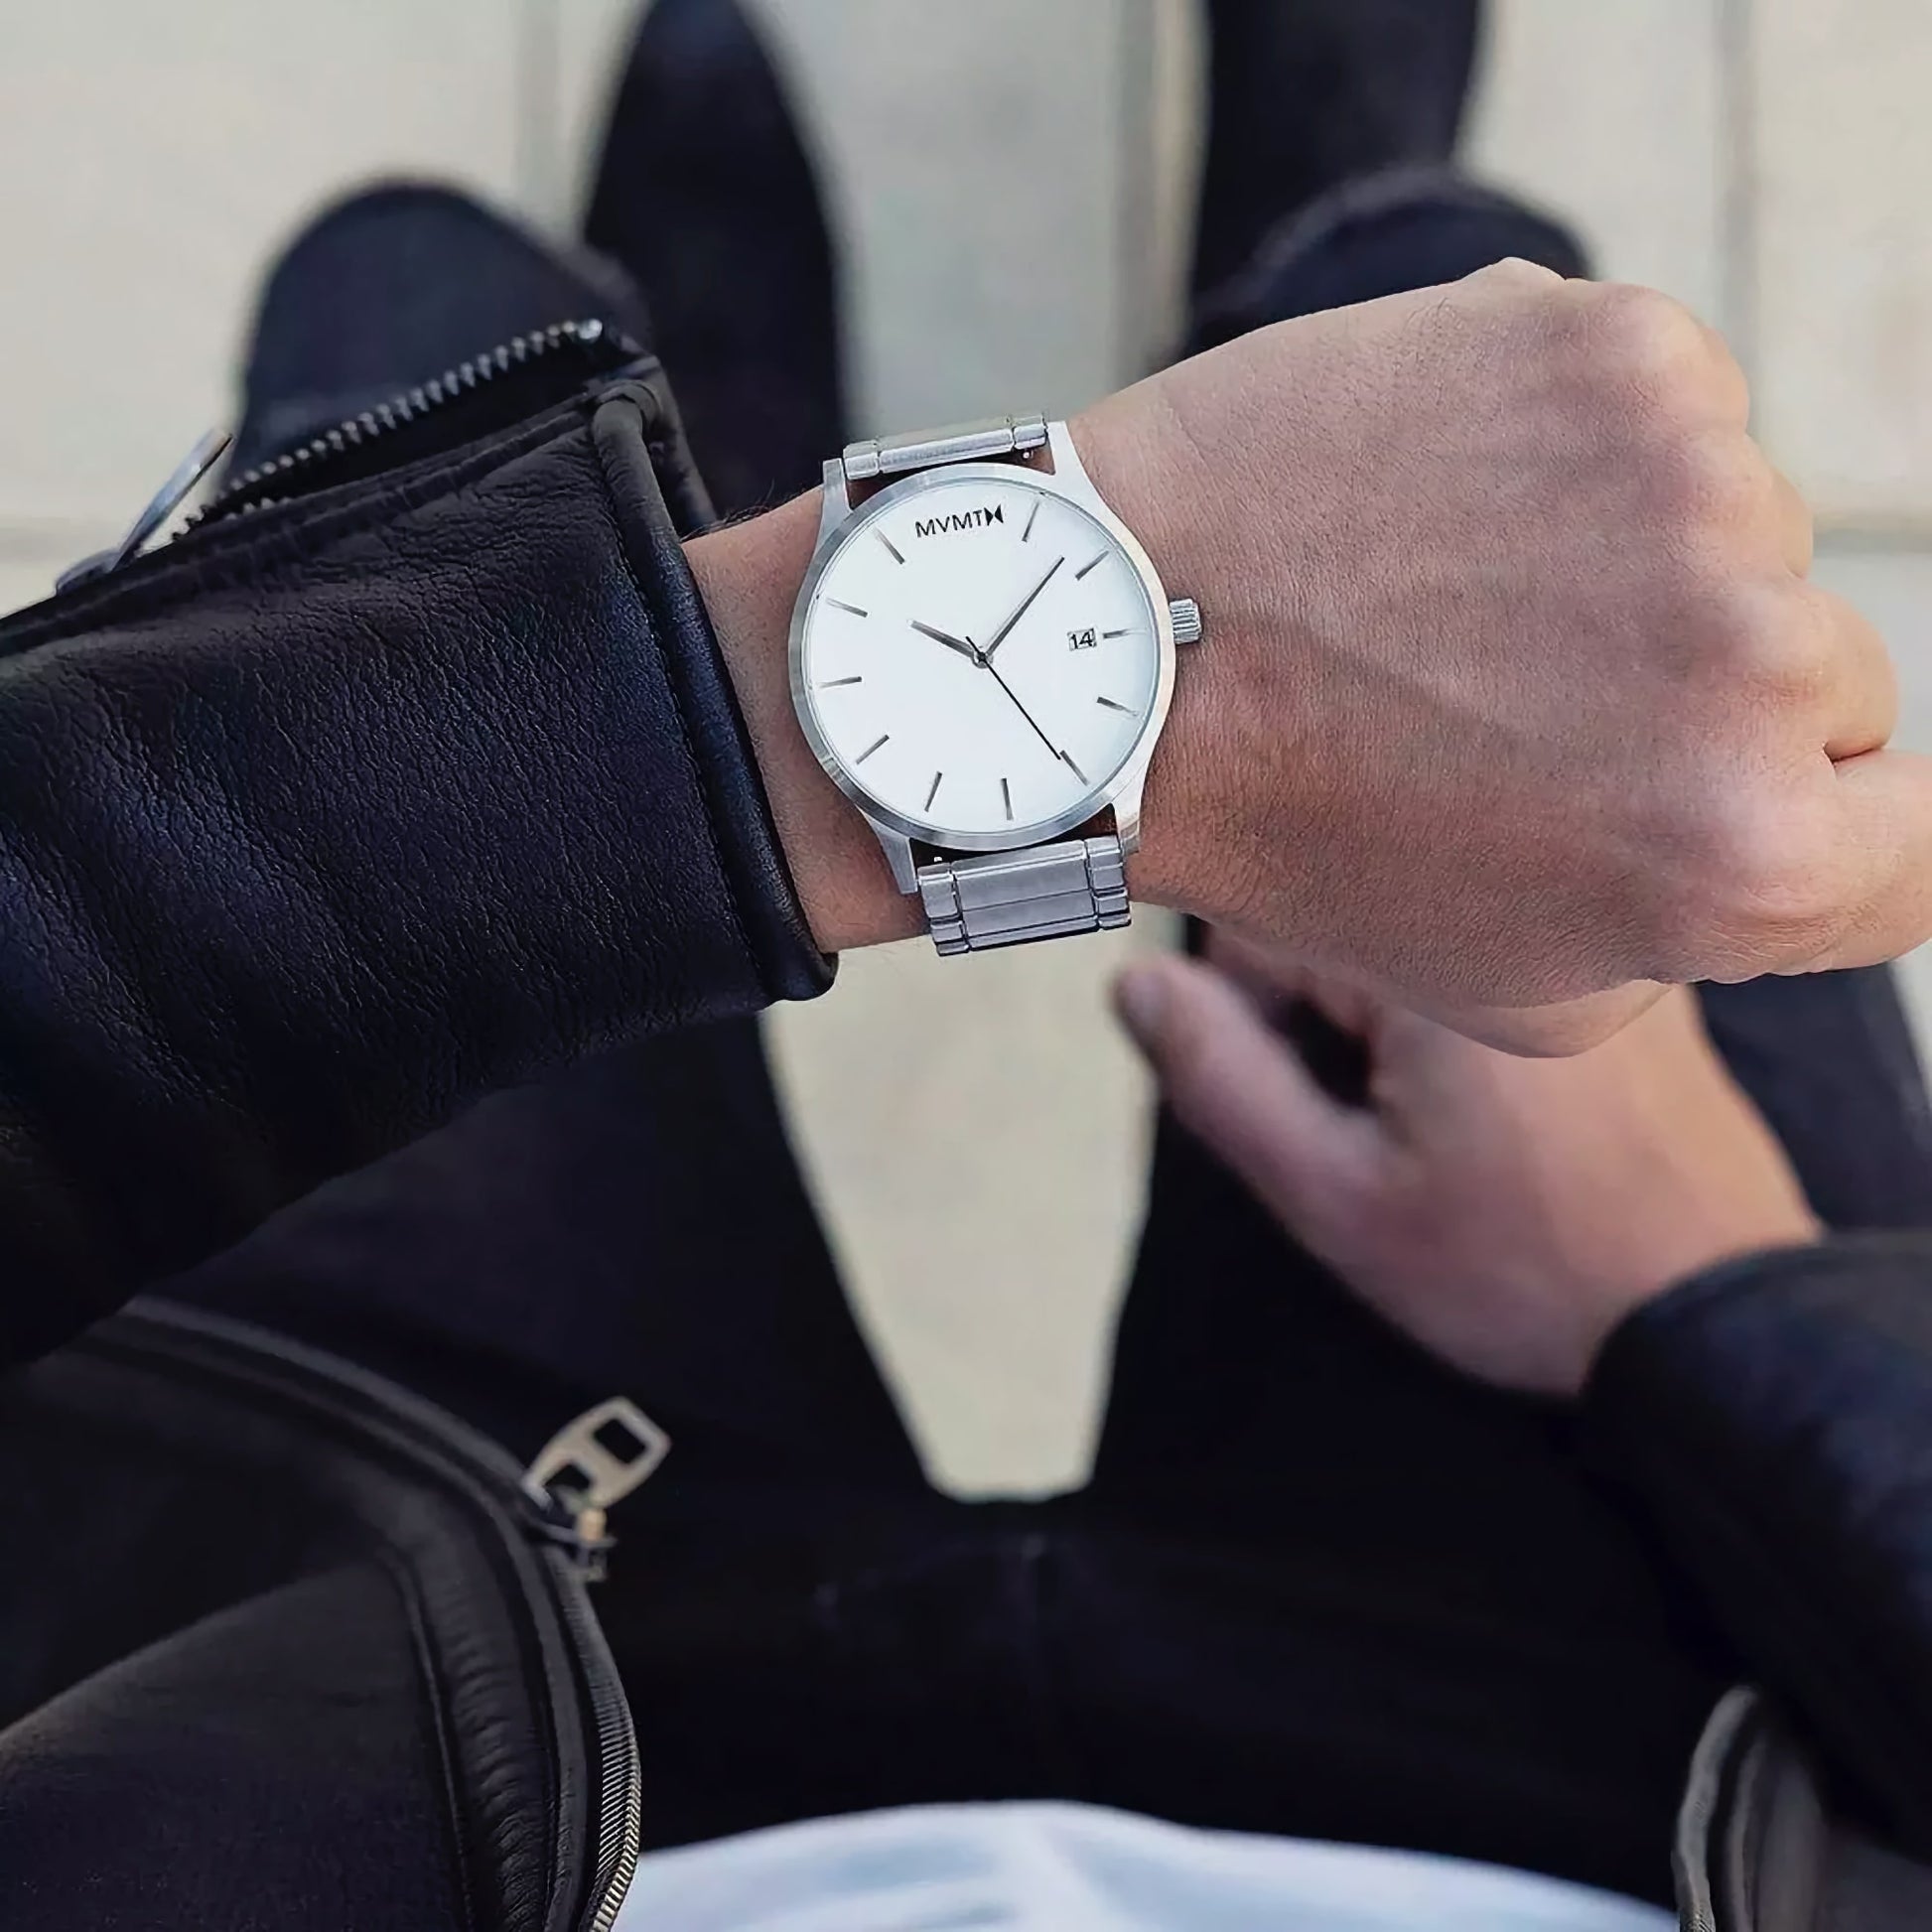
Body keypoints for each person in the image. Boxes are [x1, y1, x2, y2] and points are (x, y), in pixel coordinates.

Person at [3, 1, 1932, 1928]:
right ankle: (1303, 249)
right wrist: (1719, 1304)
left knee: (407, 299)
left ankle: (682, 437)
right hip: (1662, 1696)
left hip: (385, 1677)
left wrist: (737, 711)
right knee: (1448, 296)